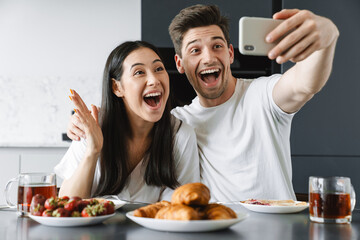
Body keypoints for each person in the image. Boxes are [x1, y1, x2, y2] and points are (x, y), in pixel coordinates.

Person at [67, 5, 339, 202]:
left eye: (217, 46)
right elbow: (134, 122)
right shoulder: (176, 122)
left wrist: (327, 38)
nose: (208, 57)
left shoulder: (261, 95)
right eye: (195, 50)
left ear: (230, 54)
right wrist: (90, 122)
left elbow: (304, 83)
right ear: (180, 64)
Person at [55, 41, 200, 202]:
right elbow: (67, 203)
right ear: (117, 88)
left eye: (158, 69)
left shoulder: (180, 135)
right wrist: (93, 150)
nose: (153, 80)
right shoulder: (92, 126)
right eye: (139, 72)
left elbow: (181, 205)